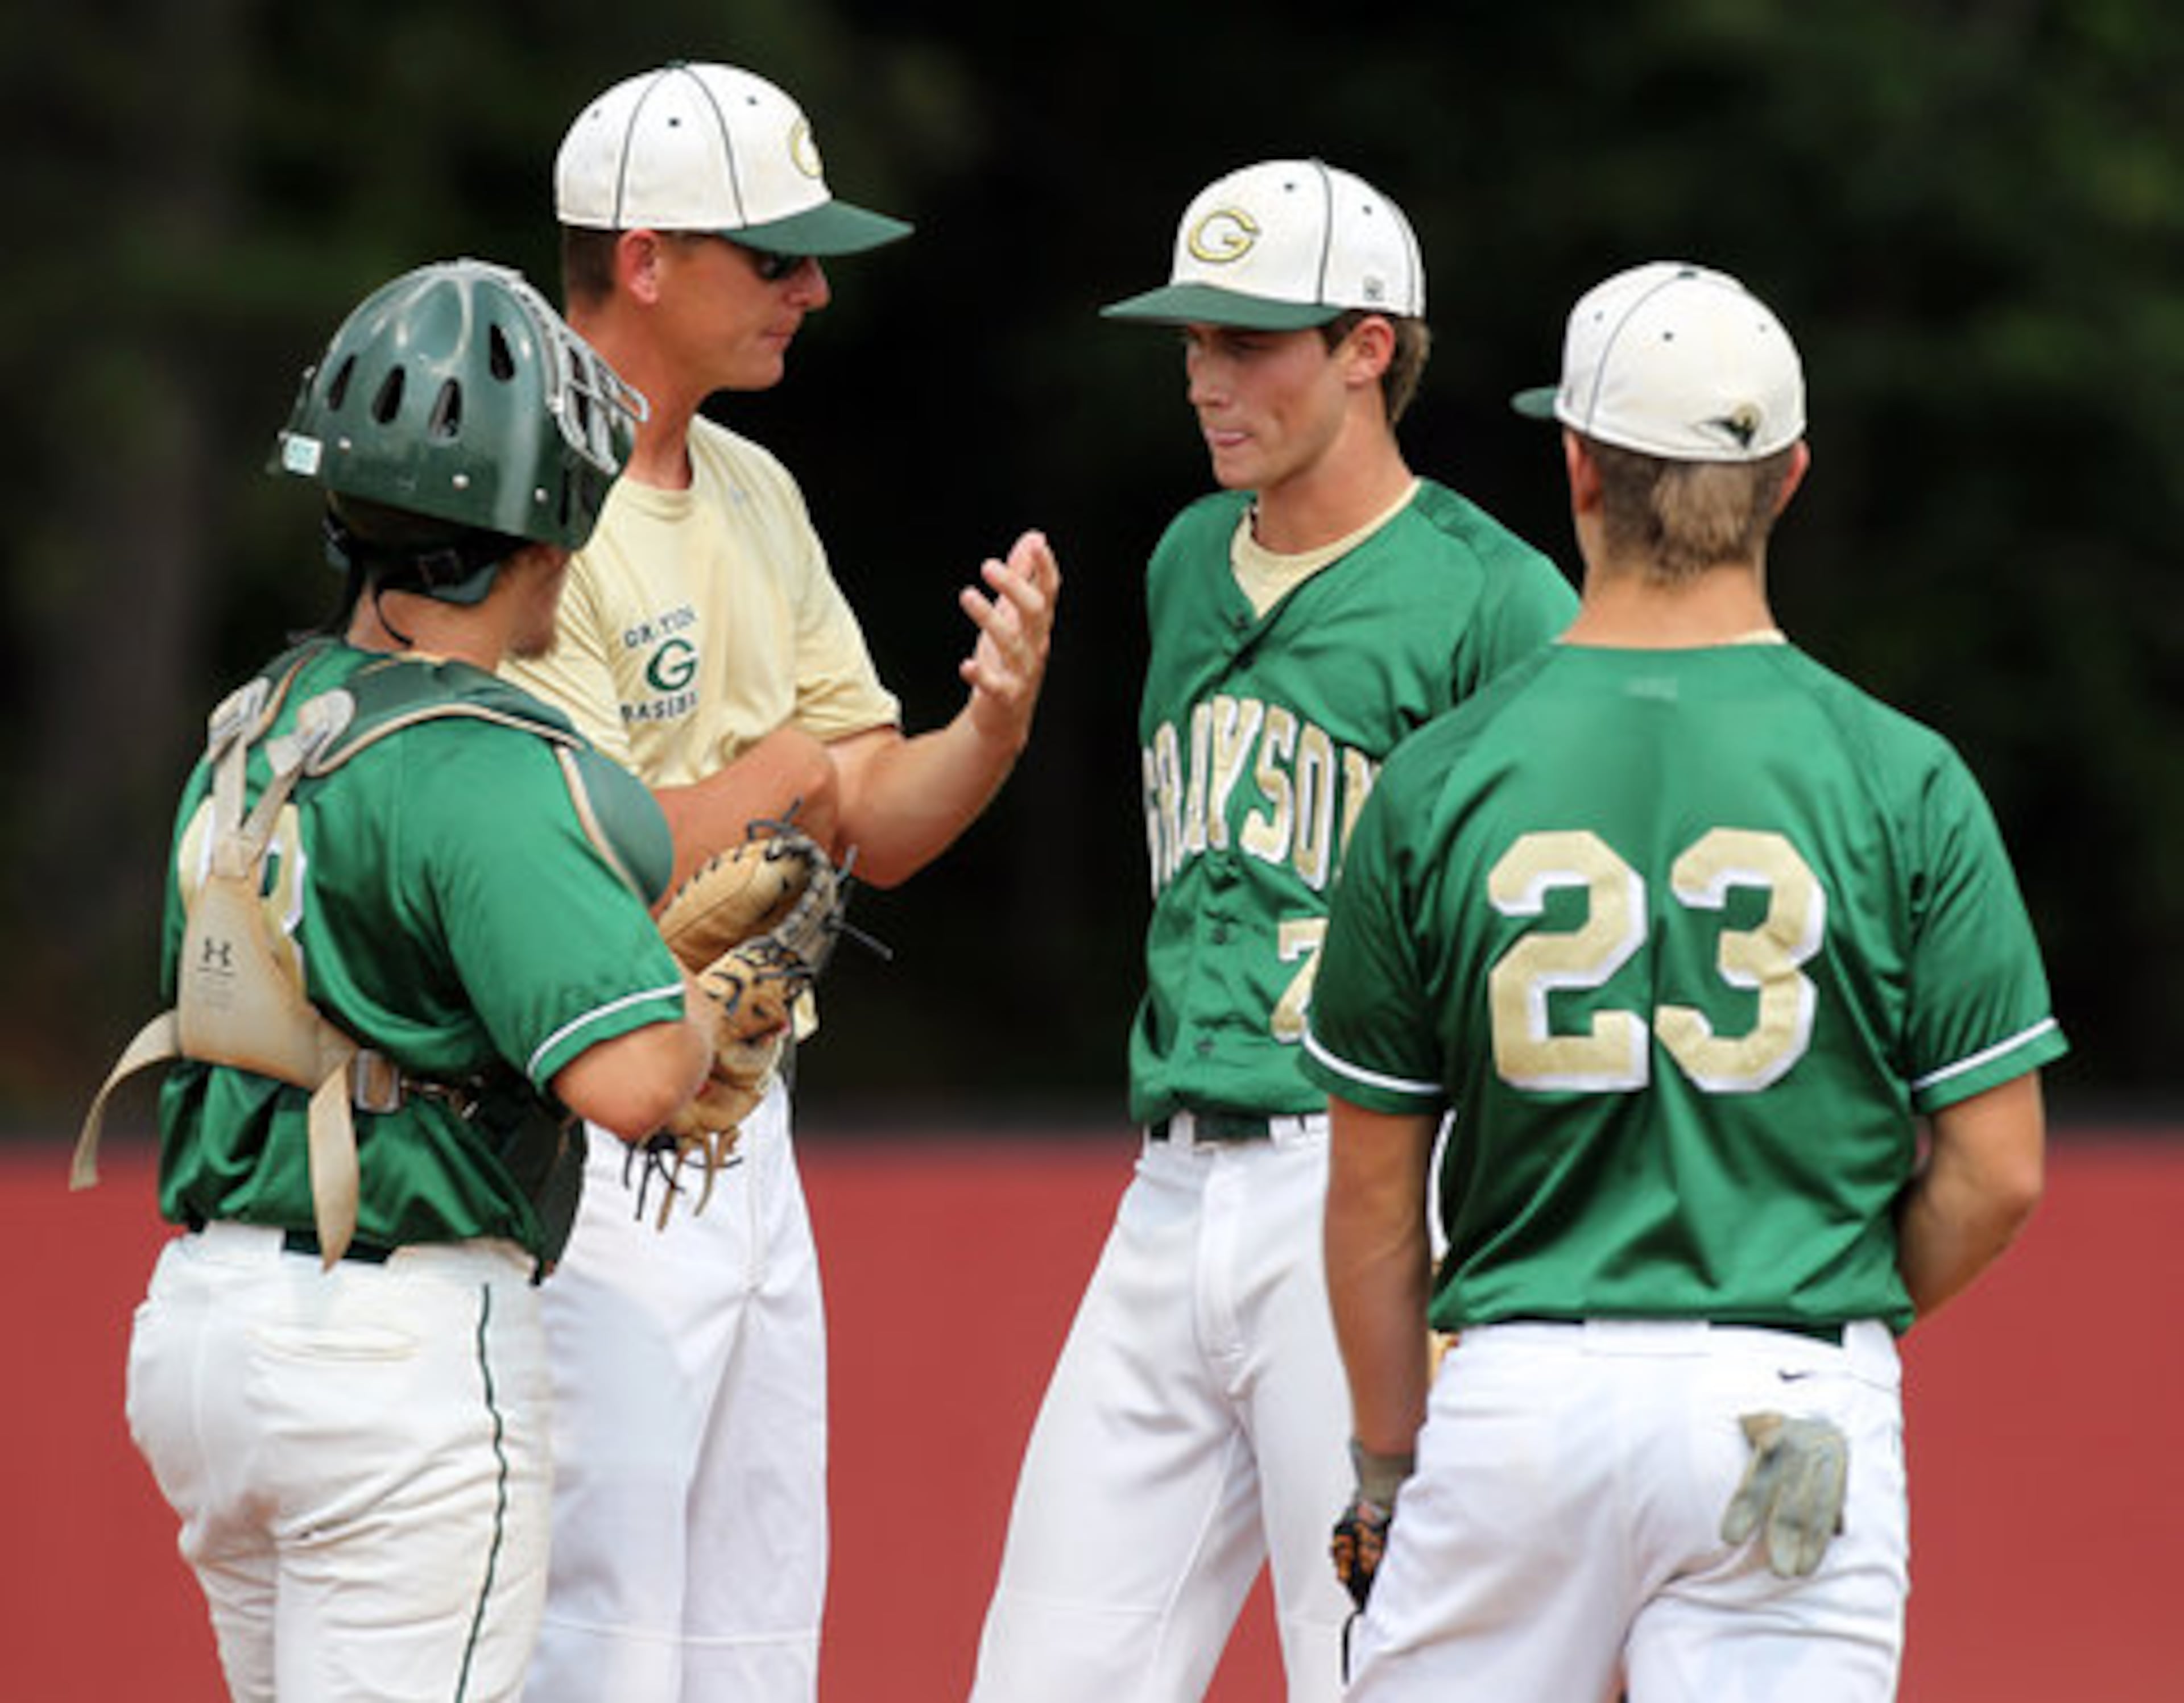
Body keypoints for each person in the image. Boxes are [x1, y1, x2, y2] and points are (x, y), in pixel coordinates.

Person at [1305, 260, 2067, 1701]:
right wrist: (1821, 1315)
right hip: (1789, 1395)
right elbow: (2000, 1169)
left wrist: (1389, 1467)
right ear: (1787, 478)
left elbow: (1371, 1196)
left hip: (1522, 1393)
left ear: (1579, 467)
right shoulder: (1901, 774)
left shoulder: (1440, 778)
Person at [971, 159, 1575, 1703]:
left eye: (1250, 342)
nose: (1205, 376)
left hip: (1371, 1178)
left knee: (1388, 1666)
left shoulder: (1499, 602)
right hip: (1167, 1188)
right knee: (1046, 1671)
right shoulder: (1183, 558)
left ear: (1370, 346)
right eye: (1192, 341)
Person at [80, 258, 723, 1702]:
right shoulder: (490, 765)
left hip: (203, 1333)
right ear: (547, 527)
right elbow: (628, 1082)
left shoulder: (255, 725)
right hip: (389, 1352)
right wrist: (686, 1006)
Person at [497, 61, 1061, 1702]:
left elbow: (873, 809)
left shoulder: (756, 487)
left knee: (754, 1624)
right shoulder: (522, 500)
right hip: (588, 1112)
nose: (814, 288)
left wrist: (993, 727)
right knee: (598, 1629)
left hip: (748, 1113)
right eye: (776, 255)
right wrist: (787, 783)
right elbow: (586, 850)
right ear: (650, 258)